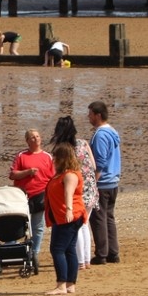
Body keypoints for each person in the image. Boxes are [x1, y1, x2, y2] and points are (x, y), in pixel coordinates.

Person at [47, 115, 97, 269]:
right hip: (89, 186)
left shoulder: (62, 148)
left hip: (73, 187)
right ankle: (86, 259)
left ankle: (80, 261)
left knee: (77, 226)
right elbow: (94, 166)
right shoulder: (83, 143)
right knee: (84, 224)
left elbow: (56, 169)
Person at [44, 142, 86, 295]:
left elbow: (69, 193)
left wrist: (68, 210)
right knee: (69, 249)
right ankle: (69, 284)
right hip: (60, 217)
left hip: (69, 216)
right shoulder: (61, 174)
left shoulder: (70, 175)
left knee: (57, 249)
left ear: (63, 158)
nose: (53, 159)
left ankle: (61, 284)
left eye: (56, 156)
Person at [9, 129, 53, 271]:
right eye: (32, 137)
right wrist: (27, 172)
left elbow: (53, 177)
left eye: (37, 136)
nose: (35, 139)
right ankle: (14, 251)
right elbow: (13, 175)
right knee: (19, 225)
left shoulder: (47, 157)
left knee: (38, 226)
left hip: (41, 194)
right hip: (22, 195)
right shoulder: (22, 156)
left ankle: (34, 253)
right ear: (27, 141)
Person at [87, 101, 122, 264]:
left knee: (98, 217)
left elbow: (100, 161)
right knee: (108, 217)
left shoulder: (100, 135)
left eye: (90, 114)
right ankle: (112, 252)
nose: (89, 117)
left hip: (104, 182)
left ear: (98, 115)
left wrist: (94, 181)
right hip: (113, 181)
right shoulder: (112, 131)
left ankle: (102, 253)